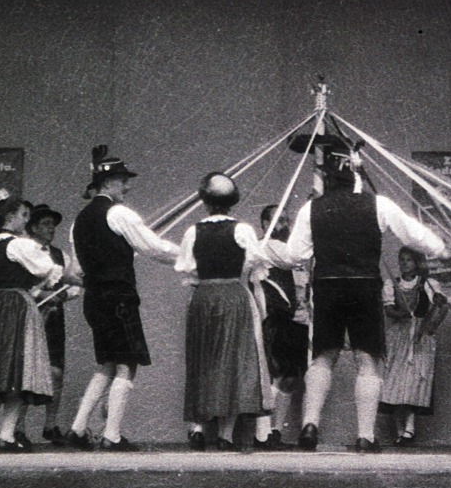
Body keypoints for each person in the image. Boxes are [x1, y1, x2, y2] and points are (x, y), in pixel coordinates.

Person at [280, 141, 450, 452]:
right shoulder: (378, 204)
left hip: (327, 286)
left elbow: (294, 254)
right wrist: (440, 248)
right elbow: (413, 235)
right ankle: (365, 436)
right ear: (356, 169)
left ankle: (309, 425)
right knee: (367, 360)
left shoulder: (311, 208)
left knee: (323, 357)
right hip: (364, 287)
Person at [65, 146, 180, 451]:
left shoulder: (78, 221)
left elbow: (77, 268)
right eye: (122, 180)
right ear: (107, 183)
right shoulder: (118, 212)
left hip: (94, 299)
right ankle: (111, 434)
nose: (127, 186)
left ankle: (77, 429)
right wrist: (191, 256)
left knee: (106, 363)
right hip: (118, 298)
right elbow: (153, 248)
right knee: (127, 363)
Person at [0, 197, 79, 450]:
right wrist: (88, 279)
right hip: (17, 307)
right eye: (24, 215)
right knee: (19, 369)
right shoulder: (19, 246)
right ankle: (6, 436)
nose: (27, 221)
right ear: (9, 218)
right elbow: (52, 273)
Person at [177, 173, 273, 451]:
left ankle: (197, 428)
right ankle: (225, 435)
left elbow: (189, 271)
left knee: (202, 359)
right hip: (233, 295)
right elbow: (255, 269)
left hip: (203, 297)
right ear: (232, 201)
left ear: (205, 201)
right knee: (232, 360)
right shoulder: (242, 230)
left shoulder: (192, 231)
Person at [379, 246, 451, 446]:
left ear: (417, 263)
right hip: (398, 336)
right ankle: (399, 430)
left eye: (409, 260)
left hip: (420, 336)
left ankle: (410, 429)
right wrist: (401, 314)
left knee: (414, 381)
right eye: (402, 260)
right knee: (395, 382)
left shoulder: (428, 284)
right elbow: (389, 310)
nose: (405, 264)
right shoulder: (392, 284)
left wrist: (431, 322)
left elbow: (441, 306)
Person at [252, 204, 307, 446]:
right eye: (279, 220)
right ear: (265, 223)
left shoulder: (285, 248)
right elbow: (294, 257)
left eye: (286, 220)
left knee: (290, 377)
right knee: (276, 374)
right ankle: (263, 435)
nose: (284, 225)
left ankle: (274, 432)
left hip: (291, 318)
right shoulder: (266, 246)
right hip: (273, 319)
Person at [25, 204, 79, 443]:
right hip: (30, 317)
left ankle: (50, 425)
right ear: (34, 227)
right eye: (45, 224)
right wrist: (39, 296)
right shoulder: (23, 250)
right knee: (25, 374)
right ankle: (17, 428)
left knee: (56, 371)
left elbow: (75, 283)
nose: (51, 229)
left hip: (54, 318)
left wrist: (64, 295)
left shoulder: (60, 255)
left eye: (53, 225)